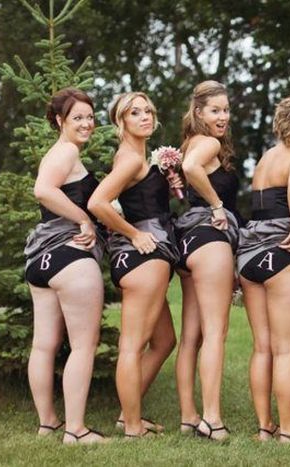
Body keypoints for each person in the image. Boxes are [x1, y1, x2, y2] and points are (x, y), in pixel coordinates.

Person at [88, 92, 179, 439]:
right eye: (135, 113)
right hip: (144, 259)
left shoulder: (138, 157)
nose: (145, 117)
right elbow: (98, 202)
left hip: (149, 257)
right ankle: (132, 426)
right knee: (132, 345)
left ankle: (128, 414)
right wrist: (134, 233)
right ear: (120, 121)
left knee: (164, 340)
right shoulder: (128, 159)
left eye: (148, 111)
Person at [24, 88, 106, 444]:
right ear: (60, 121)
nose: (86, 123)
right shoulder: (67, 151)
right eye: (78, 118)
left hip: (40, 261)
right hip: (71, 258)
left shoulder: (55, 153)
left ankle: (48, 423)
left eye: (90, 117)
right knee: (83, 345)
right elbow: (43, 190)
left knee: (43, 345)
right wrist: (84, 219)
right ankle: (76, 430)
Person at [236, 93, 290, 443]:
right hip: (282, 254)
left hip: (248, 256)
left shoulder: (266, 158)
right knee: (285, 349)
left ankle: (264, 427)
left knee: (262, 347)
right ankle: (288, 431)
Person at [173, 81, 241, 440]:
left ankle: (188, 416)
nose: (223, 117)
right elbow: (191, 168)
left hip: (188, 243)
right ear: (198, 112)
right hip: (210, 241)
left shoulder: (190, 141)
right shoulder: (207, 144)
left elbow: (186, 167)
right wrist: (217, 205)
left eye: (226, 110)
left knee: (191, 337)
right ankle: (212, 419)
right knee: (215, 332)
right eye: (215, 110)